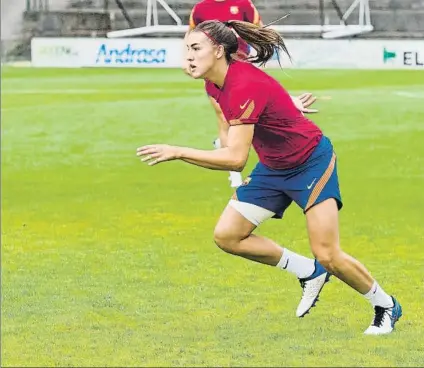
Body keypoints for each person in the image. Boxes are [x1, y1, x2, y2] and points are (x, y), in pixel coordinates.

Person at [137, 19, 402, 334]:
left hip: (310, 162)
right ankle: (308, 271)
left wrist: (178, 151)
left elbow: (236, 159)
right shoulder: (214, 81)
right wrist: (286, 105)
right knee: (228, 235)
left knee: (328, 254)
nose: (188, 57)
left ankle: (385, 305)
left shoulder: (241, 84)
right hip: (273, 166)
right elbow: (260, 95)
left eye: (196, 49)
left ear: (219, 51)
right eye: (186, 50)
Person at [185, 0, 318, 188]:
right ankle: (233, 172)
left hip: (240, 67)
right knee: (225, 119)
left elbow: (258, 29)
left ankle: (230, 152)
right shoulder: (200, 8)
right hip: (218, 73)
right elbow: (190, 35)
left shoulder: (243, 4)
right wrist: (189, 59)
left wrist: (286, 103)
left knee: (241, 124)